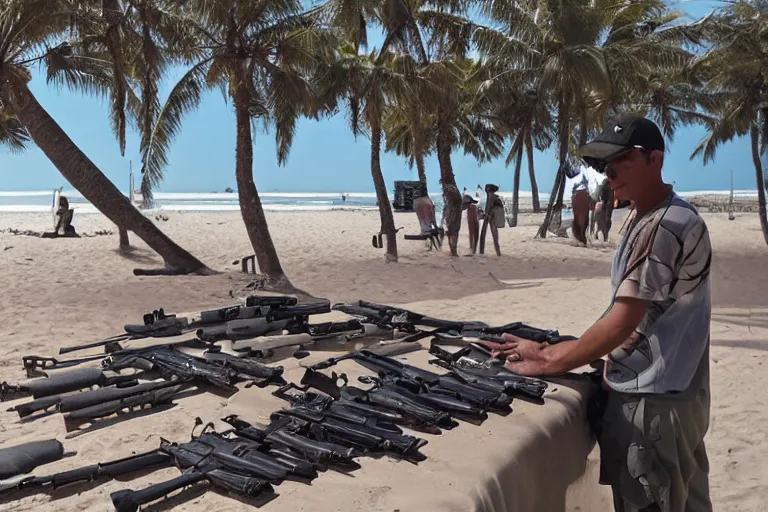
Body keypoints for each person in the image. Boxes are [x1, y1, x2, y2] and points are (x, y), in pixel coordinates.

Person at [479, 114, 713, 512]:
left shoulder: (665, 225)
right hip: (674, 391)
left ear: (654, 159)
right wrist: (556, 347)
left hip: (653, 401)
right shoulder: (650, 215)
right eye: (605, 165)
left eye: (621, 160)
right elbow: (639, 319)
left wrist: (549, 359)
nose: (610, 172)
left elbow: (622, 321)